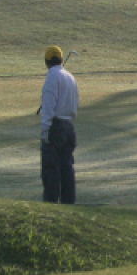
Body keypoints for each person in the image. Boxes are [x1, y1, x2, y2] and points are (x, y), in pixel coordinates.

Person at [40, 45, 80, 204]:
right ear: (62, 59)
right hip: (69, 127)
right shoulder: (70, 77)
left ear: (46, 61)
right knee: (67, 169)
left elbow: (49, 105)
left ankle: (50, 205)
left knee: (51, 169)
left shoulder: (52, 77)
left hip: (55, 127)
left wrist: (45, 130)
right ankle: (69, 204)